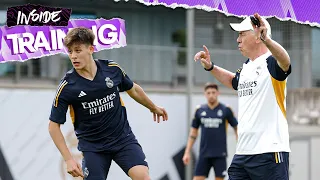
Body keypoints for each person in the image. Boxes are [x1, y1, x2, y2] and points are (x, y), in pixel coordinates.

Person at [48, 27, 168, 180]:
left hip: (123, 140)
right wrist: (69, 159)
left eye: (78, 51)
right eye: (70, 52)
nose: (73, 56)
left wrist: (154, 107)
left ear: (91, 49)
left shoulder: (112, 69)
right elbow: (53, 127)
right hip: (93, 148)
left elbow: (133, 90)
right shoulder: (67, 86)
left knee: (143, 177)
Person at [194, 13, 292, 180]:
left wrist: (267, 40)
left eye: (242, 34)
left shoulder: (271, 63)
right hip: (243, 154)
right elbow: (234, 81)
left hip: (269, 153)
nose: (238, 39)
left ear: (258, 37)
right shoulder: (247, 66)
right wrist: (211, 67)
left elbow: (286, 62)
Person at [182, 83, 238, 180]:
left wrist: (239, 147)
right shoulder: (199, 110)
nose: (211, 95)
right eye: (208, 93)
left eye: (213, 92)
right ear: (205, 94)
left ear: (218, 93)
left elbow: (237, 128)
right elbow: (193, 133)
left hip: (220, 154)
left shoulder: (226, 110)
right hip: (204, 153)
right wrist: (187, 152)